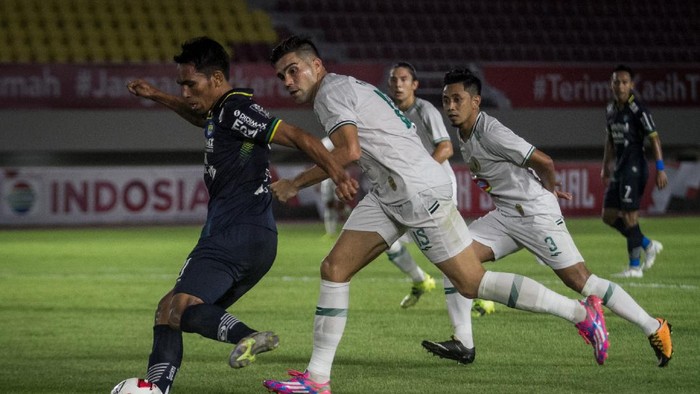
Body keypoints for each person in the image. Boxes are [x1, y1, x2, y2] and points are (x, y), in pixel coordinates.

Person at [262, 35, 609, 394]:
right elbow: (360, 146)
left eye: (293, 71)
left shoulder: (331, 93)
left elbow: (349, 150)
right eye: (281, 76)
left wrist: (295, 183)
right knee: (334, 269)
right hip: (390, 193)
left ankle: (582, 314)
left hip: (416, 192)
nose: (288, 81)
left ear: (316, 66)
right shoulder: (340, 88)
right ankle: (317, 380)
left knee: (471, 283)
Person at [124, 36, 357, 394]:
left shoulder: (236, 110)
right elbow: (199, 117)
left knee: (179, 308)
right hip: (252, 237)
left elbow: (297, 136)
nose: (186, 92)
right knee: (171, 310)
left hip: (233, 234)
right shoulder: (222, 113)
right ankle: (157, 387)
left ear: (216, 79)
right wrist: (157, 95)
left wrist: (337, 173)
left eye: (191, 84)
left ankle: (245, 336)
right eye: (181, 85)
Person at [421, 68, 673, 368]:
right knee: (456, 261)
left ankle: (654, 327)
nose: (450, 106)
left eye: (457, 100)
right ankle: (464, 342)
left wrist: (550, 189)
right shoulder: (465, 131)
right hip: (506, 216)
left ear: (475, 101)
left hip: (535, 213)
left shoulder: (490, 131)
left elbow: (543, 160)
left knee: (581, 281)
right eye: (446, 100)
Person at [385, 62, 496, 317]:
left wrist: (420, 171)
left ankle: (484, 296)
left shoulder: (425, 110)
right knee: (386, 240)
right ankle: (420, 279)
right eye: (394, 80)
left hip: (436, 185)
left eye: (404, 79)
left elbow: (446, 148)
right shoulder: (389, 111)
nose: (398, 84)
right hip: (408, 189)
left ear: (415, 85)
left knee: (449, 250)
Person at [601, 64, 668, 278]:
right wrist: (605, 166)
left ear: (631, 85)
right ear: (611, 84)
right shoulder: (610, 110)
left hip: (635, 167)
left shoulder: (638, 108)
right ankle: (648, 244)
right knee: (609, 215)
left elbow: (654, 137)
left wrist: (660, 168)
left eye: (624, 82)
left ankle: (634, 267)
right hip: (619, 168)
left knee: (630, 217)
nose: (620, 86)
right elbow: (610, 140)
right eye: (616, 82)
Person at [317, 137, 351, 239]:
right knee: (329, 204)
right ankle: (330, 232)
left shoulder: (340, 141)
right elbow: (319, 160)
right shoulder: (324, 141)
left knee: (341, 204)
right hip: (326, 177)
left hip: (340, 175)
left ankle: (353, 225)